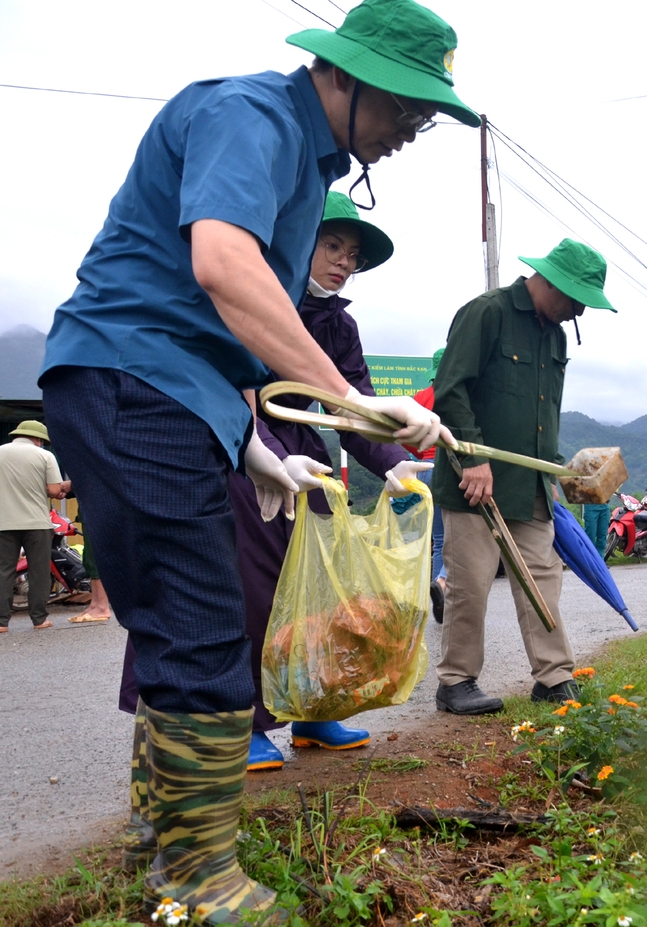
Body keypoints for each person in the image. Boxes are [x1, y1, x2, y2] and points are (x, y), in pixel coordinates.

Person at [39, 1, 474, 919]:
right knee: (206, 632)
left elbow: (218, 337)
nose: (408, 131)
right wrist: (350, 402)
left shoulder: (303, 166)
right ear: (346, 77)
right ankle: (200, 881)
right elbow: (222, 271)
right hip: (131, 383)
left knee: (173, 627)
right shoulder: (253, 115)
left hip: (161, 391)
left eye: (423, 117)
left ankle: (164, 840)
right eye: (404, 108)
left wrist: (254, 448)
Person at [114, 191, 428, 772]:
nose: (342, 261)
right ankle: (250, 722)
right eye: (331, 244)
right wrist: (268, 457)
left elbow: (349, 407)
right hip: (241, 454)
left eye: (353, 254)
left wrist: (390, 463)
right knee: (252, 590)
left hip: (309, 468)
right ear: (298, 241)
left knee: (321, 594)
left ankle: (311, 707)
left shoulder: (339, 325)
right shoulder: (257, 299)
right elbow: (233, 384)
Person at [432, 239, 617, 714]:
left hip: (530, 484)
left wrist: (554, 469)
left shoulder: (555, 336)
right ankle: (455, 682)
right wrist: (472, 459)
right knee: (471, 585)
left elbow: (542, 412)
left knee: (543, 579)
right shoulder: (486, 313)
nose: (578, 311)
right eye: (576, 298)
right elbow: (450, 391)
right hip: (473, 482)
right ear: (552, 281)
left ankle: (553, 677)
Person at [0, 421, 69, 632]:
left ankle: (1, 622)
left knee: (3, 570)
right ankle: (39, 619)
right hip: (36, 522)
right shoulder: (45, 456)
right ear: (38, 439)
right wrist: (61, 490)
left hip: (3, 522)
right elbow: (54, 489)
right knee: (39, 570)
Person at [406, 348, 449, 622]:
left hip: (424, 471)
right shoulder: (453, 394)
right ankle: (444, 584)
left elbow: (405, 436)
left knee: (438, 539)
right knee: (455, 536)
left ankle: (439, 593)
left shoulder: (420, 398)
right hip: (447, 468)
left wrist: (421, 453)